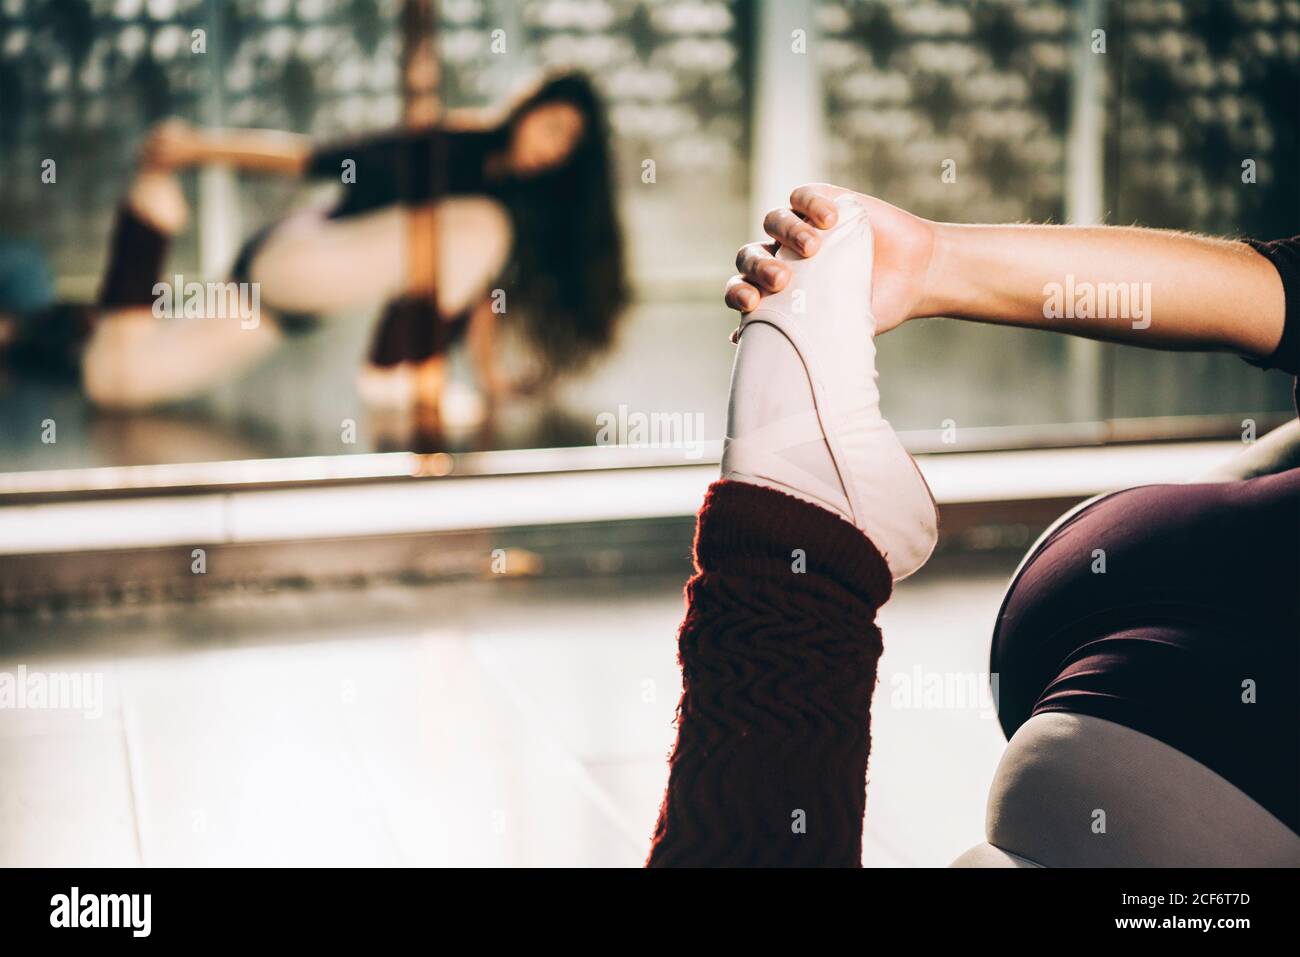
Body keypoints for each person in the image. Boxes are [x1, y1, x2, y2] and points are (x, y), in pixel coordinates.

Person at [646, 185, 1299, 866]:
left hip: (1138, 620)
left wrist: (940, 262)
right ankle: (790, 535)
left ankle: (789, 535)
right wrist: (930, 260)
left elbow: (1280, 288)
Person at [3, 72, 628, 413]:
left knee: (119, 379)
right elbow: (308, 157)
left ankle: (34, 329)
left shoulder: (508, 209)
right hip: (298, 257)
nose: (550, 151)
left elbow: (474, 294)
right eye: (552, 128)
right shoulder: (451, 151)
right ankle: (398, 369)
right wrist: (197, 147)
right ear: (528, 107)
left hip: (279, 305)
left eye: (566, 150)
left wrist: (489, 378)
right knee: (484, 226)